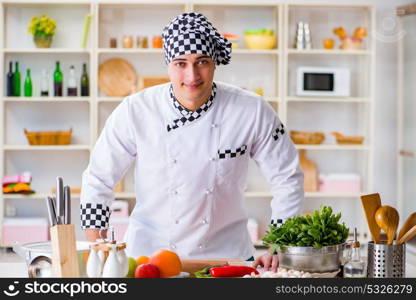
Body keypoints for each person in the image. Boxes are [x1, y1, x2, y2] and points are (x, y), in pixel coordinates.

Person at [80, 12, 304, 272]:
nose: (192, 75)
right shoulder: (135, 110)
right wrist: (98, 249)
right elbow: (98, 178)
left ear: (215, 63)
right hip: (148, 259)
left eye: (202, 62)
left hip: (228, 257)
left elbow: (287, 177)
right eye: (181, 63)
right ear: (168, 64)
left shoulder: (252, 110)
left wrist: (279, 242)